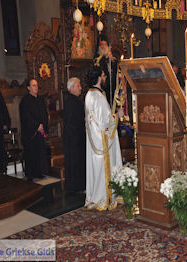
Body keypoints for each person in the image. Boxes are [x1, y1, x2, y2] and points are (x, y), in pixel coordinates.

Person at [85, 67, 122, 211]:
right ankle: (103, 196)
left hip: (92, 139)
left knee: (96, 168)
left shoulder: (89, 94)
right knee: (102, 169)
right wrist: (117, 114)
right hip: (101, 140)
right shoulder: (99, 97)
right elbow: (106, 121)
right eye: (103, 75)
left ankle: (94, 197)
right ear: (99, 78)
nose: (105, 77)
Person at [19, 79, 48, 181]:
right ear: (28, 88)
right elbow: (26, 117)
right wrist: (36, 126)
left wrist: (43, 125)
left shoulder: (40, 100)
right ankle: (31, 174)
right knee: (31, 153)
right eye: (33, 85)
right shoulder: (25, 101)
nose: (36, 87)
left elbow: (44, 114)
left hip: (40, 131)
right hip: (30, 132)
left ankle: (39, 172)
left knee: (40, 152)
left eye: (36, 85)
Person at [63, 77, 86, 192]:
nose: (80, 88)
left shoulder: (75, 101)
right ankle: (76, 186)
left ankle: (78, 185)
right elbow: (73, 122)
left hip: (76, 138)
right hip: (74, 139)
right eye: (78, 86)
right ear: (71, 88)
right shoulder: (71, 102)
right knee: (75, 163)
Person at [94, 34, 117, 106]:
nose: (103, 46)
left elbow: (116, 70)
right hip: (103, 86)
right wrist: (105, 58)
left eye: (105, 44)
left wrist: (112, 60)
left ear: (108, 46)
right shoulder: (97, 58)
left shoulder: (112, 57)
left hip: (113, 86)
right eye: (101, 44)